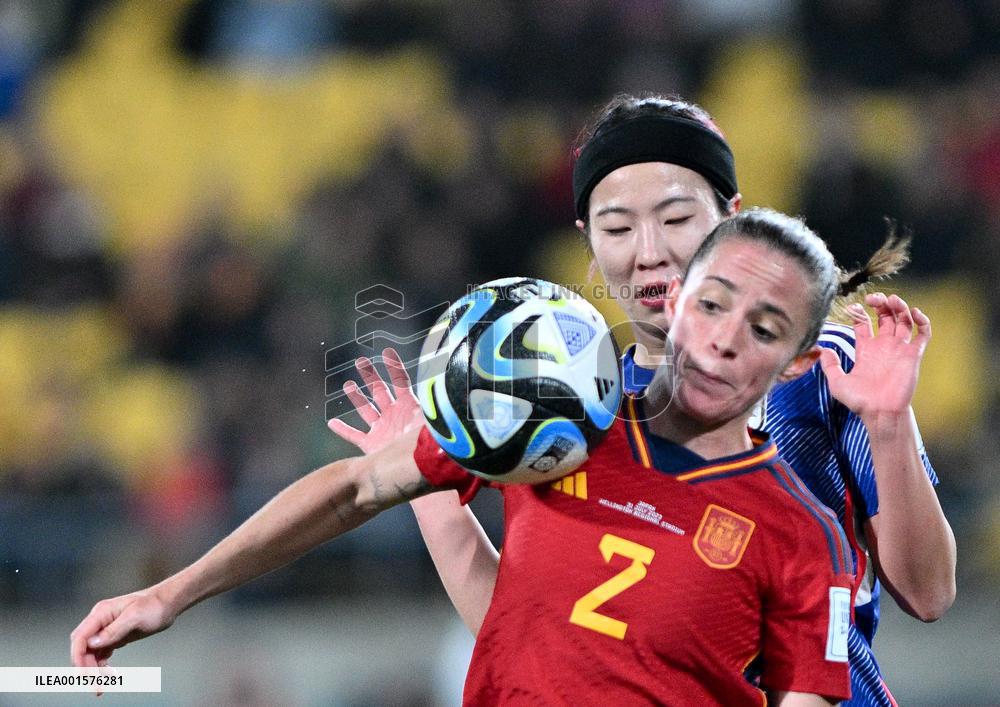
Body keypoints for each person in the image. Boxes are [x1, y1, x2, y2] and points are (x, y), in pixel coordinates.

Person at [73, 206, 923, 705]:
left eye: (766, 328)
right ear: (678, 299)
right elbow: (357, 487)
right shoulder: (560, 411)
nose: (726, 339)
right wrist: (170, 591)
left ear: (802, 362)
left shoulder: (805, 538)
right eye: (715, 302)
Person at [399, 94, 955, 707]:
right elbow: (543, 643)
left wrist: (887, 422)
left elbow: (928, 594)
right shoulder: (574, 406)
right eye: (617, 227)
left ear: (731, 218)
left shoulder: (823, 371)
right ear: (589, 241)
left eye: (676, 218)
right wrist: (429, 489)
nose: (649, 251)